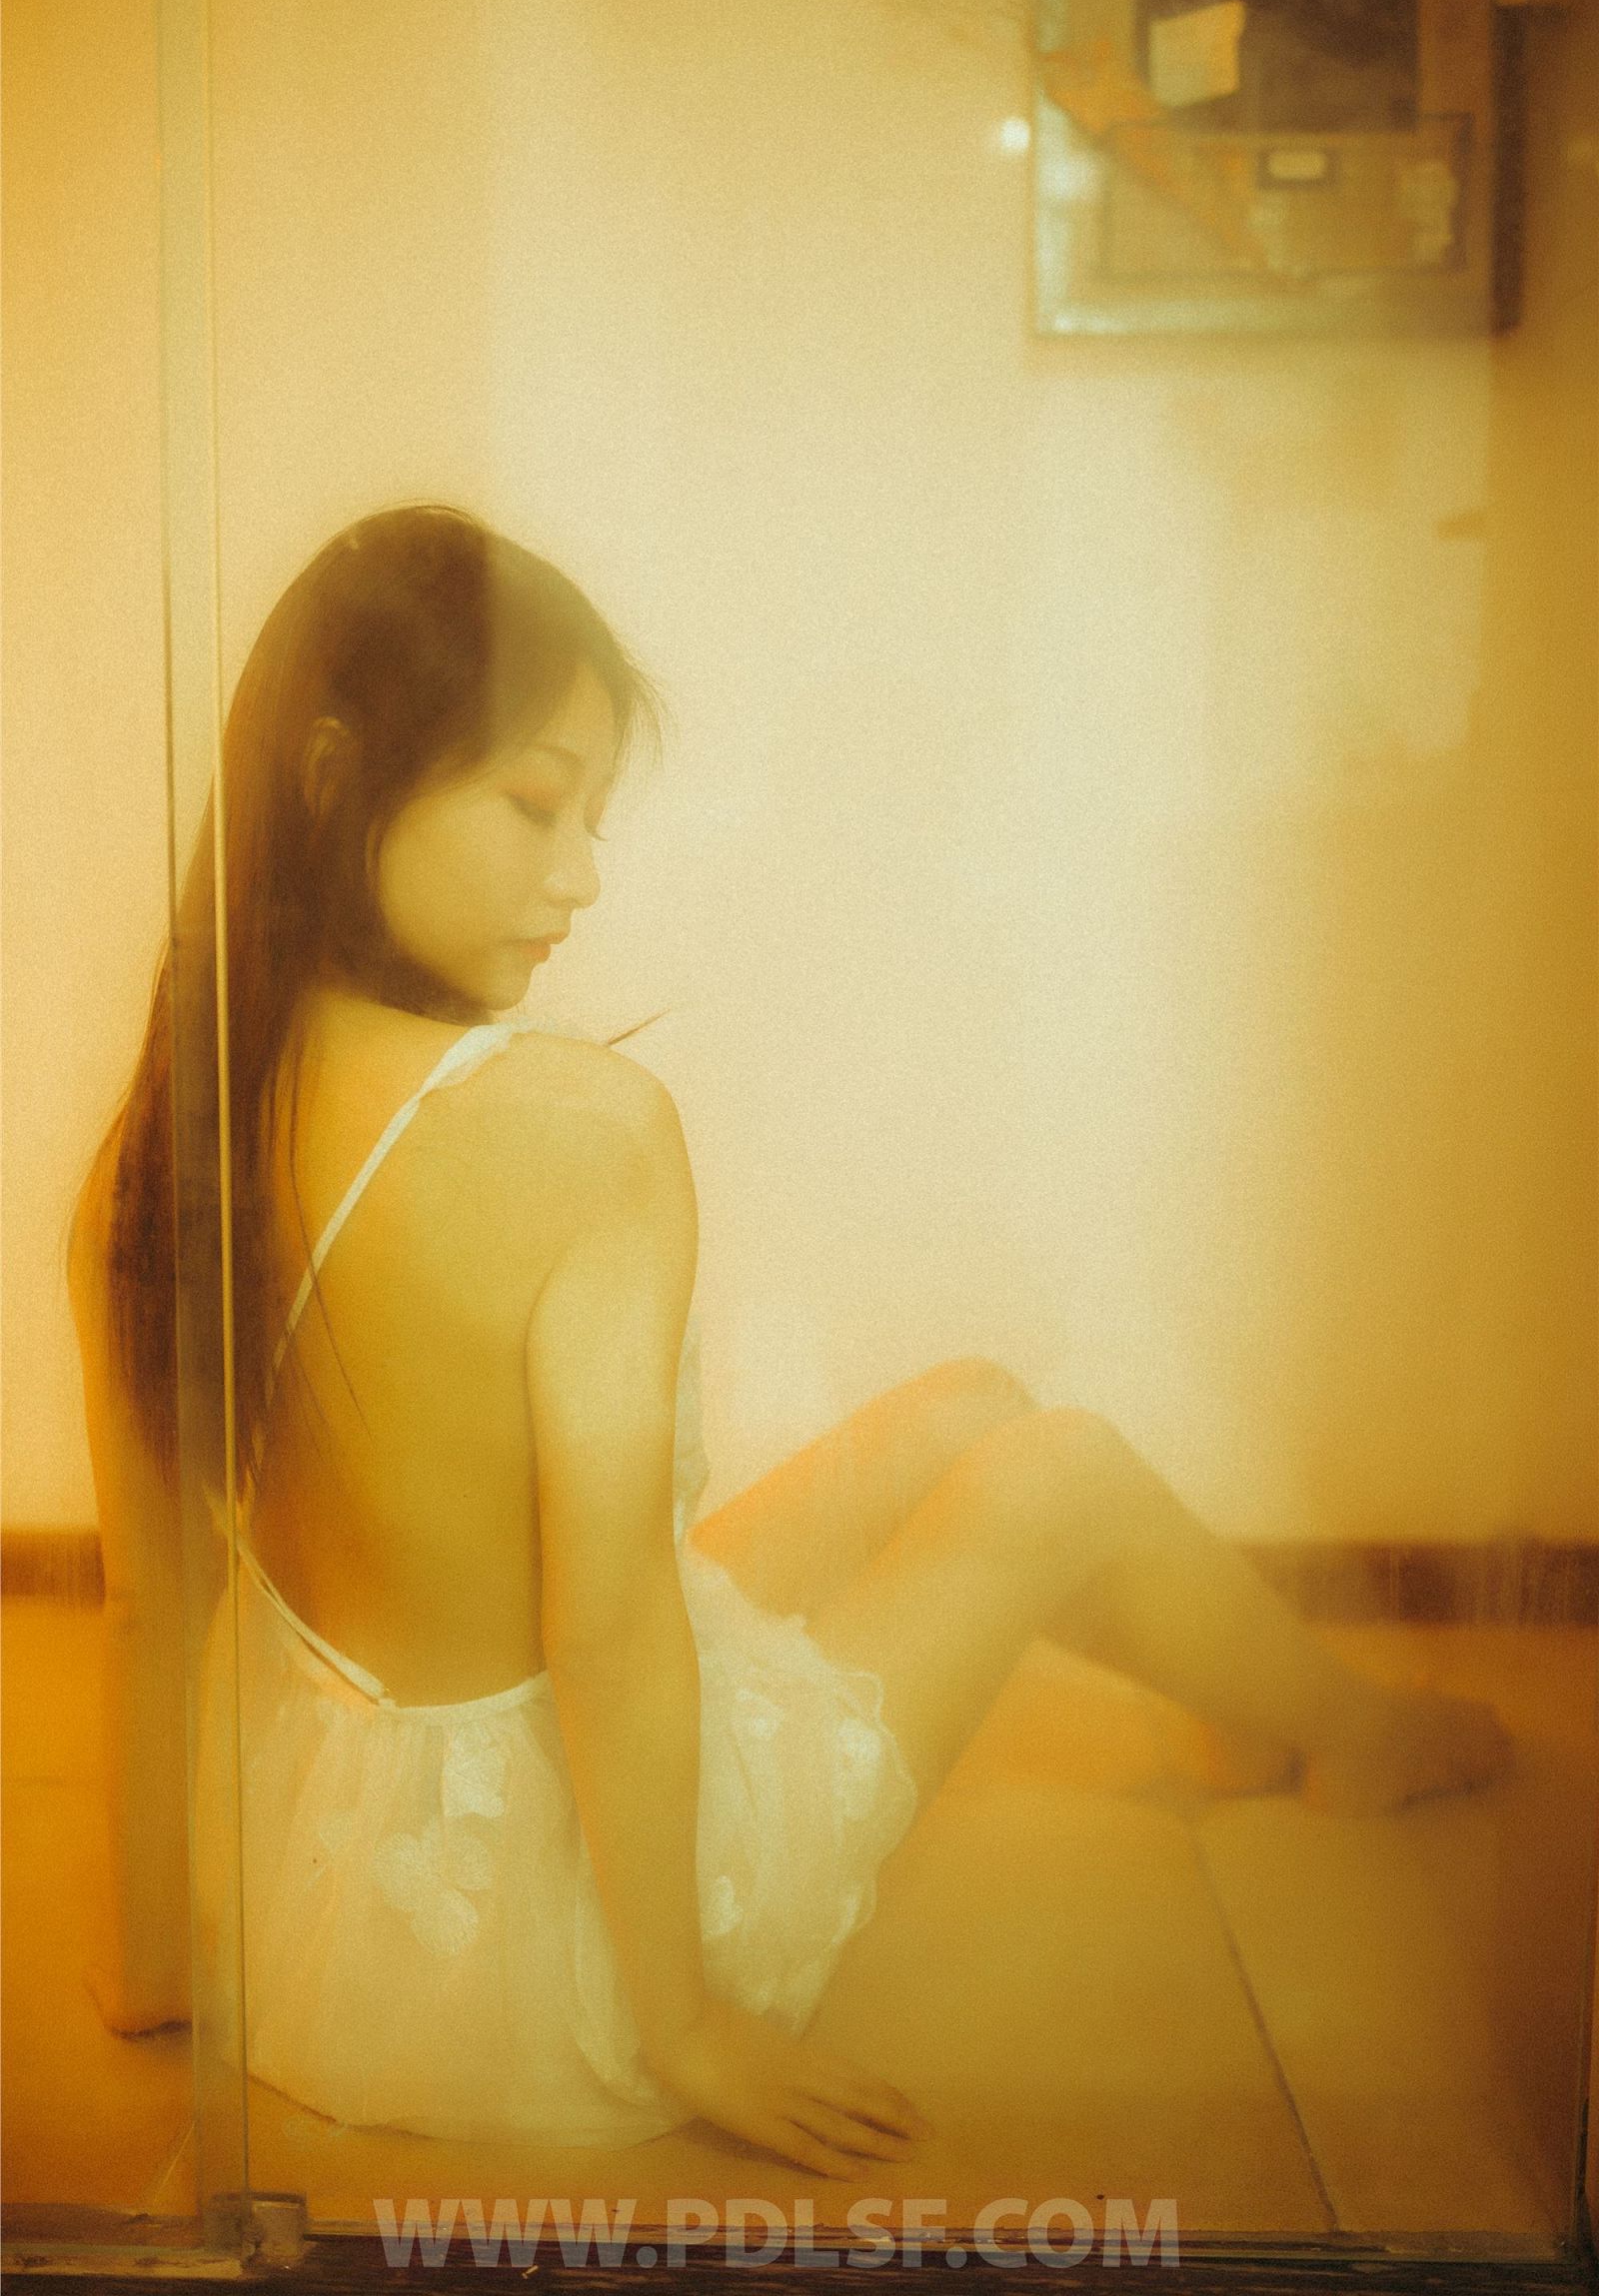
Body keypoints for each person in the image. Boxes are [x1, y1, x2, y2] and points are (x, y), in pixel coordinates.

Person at [68, 505, 1513, 2168]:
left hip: (324, 1931)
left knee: (967, 1404)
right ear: (334, 774)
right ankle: (1362, 1736)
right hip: (566, 1969)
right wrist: (686, 2025)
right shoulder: (579, 1135)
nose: (581, 876)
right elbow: (610, 1625)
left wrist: (160, 1963)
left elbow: (151, 1605)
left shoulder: (158, 1150)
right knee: (1059, 1469)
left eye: (592, 819)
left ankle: (1256, 1705)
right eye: (535, 805)